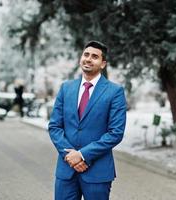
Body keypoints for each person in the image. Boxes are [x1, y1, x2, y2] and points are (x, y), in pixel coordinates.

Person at [48, 41, 127, 200]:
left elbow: (115, 133)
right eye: (86, 54)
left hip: (97, 172)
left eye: (95, 57)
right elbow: (55, 126)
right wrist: (71, 157)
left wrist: (82, 155)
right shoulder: (66, 88)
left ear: (103, 64)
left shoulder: (115, 91)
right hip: (66, 170)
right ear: (80, 58)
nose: (89, 59)